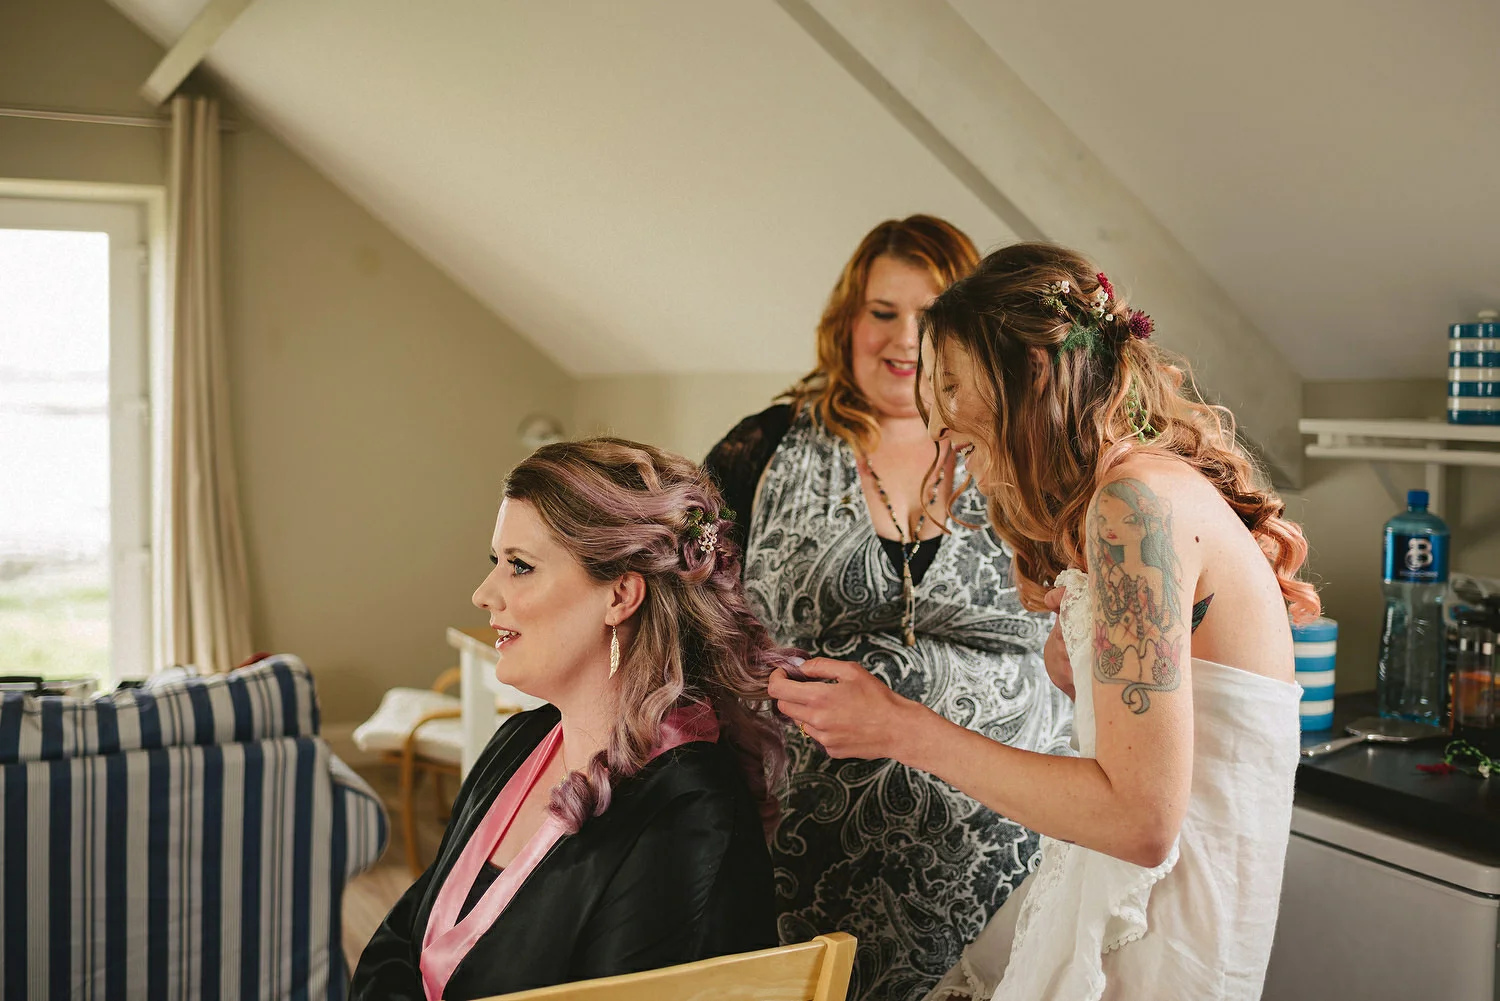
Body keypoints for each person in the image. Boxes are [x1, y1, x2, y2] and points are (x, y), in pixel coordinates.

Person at [770, 243, 1320, 1001]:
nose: (939, 416)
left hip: (1159, 941)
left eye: (955, 381)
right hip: (1113, 901)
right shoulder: (1130, 495)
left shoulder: (1135, 508)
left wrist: (901, 727)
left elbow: (1139, 818)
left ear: (1028, 373)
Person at [704, 217, 1073, 1001]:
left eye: (931, 313)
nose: (907, 339)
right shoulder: (765, 448)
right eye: (883, 311)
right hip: (804, 853)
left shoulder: (1029, 456)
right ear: (847, 320)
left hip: (1007, 853)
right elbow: (685, 613)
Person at [352, 439, 794, 1001]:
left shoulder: (689, 814)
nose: (484, 594)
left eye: (520, 567)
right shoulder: (521, 740)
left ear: (620, 596)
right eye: (497, 563)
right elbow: (401, 938)